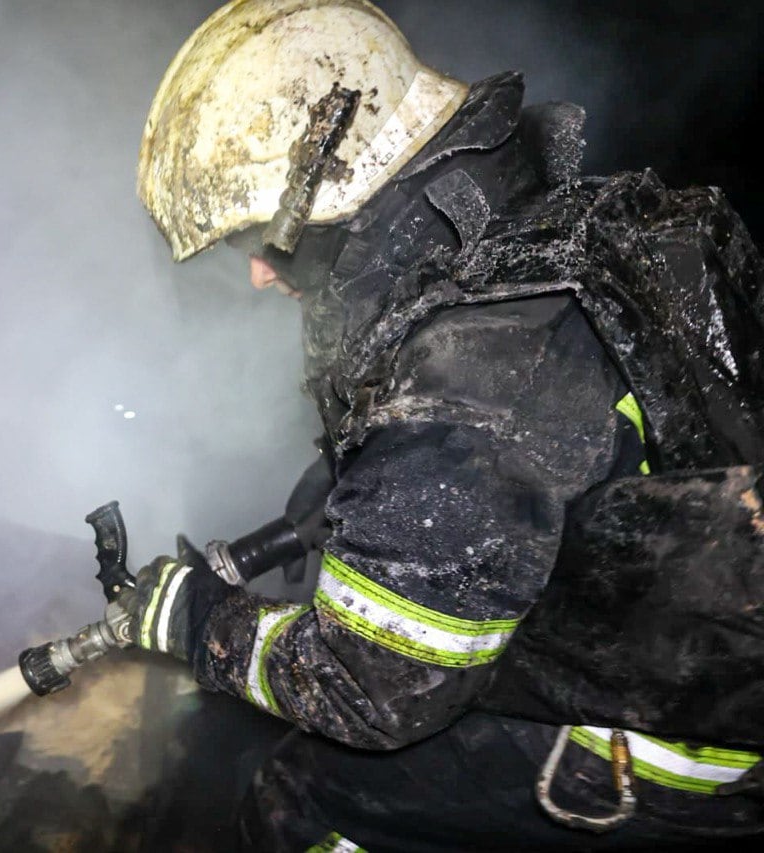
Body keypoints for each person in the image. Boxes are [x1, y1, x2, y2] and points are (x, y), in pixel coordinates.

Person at [121, 1, 764, 850]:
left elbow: (367, 690)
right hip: (678, 639)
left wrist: (193, 622)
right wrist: (324, 513)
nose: (257, 275)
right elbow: (506, 462)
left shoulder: (463, 388)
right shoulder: (545, 234)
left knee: (301, 803)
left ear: (334, 193)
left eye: (261, 240)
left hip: (653, 744)